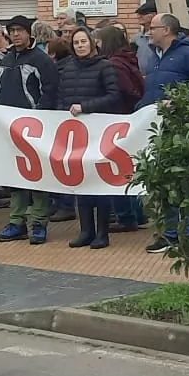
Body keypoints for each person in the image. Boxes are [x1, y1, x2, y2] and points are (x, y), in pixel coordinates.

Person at [138, 13, 189, 254]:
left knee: (185, 183)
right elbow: (152, 93)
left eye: (152, 27)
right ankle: (169, 234)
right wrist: (137, 113)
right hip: (160, 131)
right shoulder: (155, 59)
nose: (148, 31)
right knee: (165, 183)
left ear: (166, 30)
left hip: (182, 129)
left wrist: (178, 101)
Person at [0, 15, 62, 244]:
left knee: (37, 176)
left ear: (29, 33)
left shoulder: (41, 60)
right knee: (14, 176)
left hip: (35, 129)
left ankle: (39, 223)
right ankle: (16, 222)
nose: (15, 35)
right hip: (8, 129)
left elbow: (50, 92)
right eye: (11, 31)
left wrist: (39, 117)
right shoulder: (6, 59)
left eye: (19, 30)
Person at [58, 27, 125, 248]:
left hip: (98, 132)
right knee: (81, 182)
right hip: (76, 135)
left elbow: (113, 95)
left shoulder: (105, 66)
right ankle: (86, 230)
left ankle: (102, 232)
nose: (80, 46)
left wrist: (85, 107)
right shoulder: (67, 68)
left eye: (83, 42)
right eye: (76, 43)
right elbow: (61, 98)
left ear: (92, 43)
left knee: (99, 182)